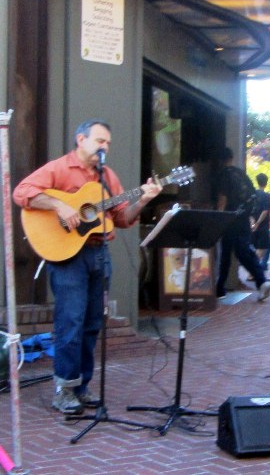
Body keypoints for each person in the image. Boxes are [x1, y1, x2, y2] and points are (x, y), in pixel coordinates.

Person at [12, 119, 163, 415]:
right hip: (68, 258)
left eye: (107, 142)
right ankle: (65, 389)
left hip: (98, 254)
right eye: (99, 140)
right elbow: (22, 192)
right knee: (71, 321)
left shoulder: (108, 177)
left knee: (93, 323)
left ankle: (82, 386)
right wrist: (59, 205)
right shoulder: (59, 168)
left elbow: (122, 218)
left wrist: (143, 199)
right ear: (81, 139)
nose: (104, 146)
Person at [215, 148, 270, 302]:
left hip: (229, 219)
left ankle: (220, 289)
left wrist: (218, 219)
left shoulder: (223, 175)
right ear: (232, 157)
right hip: (244, 218)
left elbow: (222, 199)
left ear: (219, 160)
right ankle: (261, 281)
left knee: (225, 255)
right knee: (243, 251)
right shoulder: (241, 174)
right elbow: (253, 196)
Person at [251, 173, 270, 275]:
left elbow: (249, 210)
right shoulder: (266, 196)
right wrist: (258, 223)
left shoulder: (253, 195)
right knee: (262, 249)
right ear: (266, 182)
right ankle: (252, 271)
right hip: (263, 226)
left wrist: (253, 223)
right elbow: (265, 211)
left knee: (255, 248)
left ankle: (252, 270)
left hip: (253, 225)